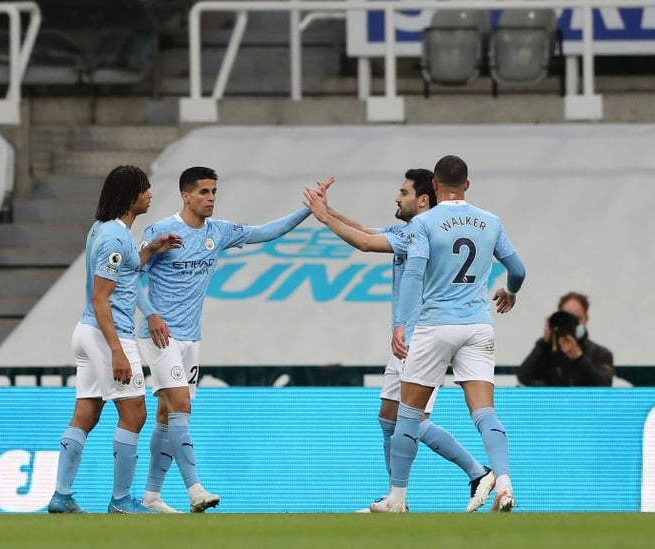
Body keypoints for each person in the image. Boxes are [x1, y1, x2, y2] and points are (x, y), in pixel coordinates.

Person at [136, 166, 330, 513]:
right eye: (204, 192)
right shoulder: (161, 231)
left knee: (167, 415)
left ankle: (151, 496)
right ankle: (196, 490)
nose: (211, 198)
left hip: (190, 338)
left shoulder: (219, 231)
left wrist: (308, 209)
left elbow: (266, 232)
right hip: (159, 335)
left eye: (214, 192)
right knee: (182, 407)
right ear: (186, 196)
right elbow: (132, 275)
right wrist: (151, 314)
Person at [302, 169, 495, 513]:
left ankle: (476, 473)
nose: (396, 197)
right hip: (412, 336)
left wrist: (322, 219)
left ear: (423, 199)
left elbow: (362, 243)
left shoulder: (422, 234)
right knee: (389, 417)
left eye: (403, 192)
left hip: (423, 336)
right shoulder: (408, 231)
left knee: (411, 419)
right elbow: (364, 231)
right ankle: (397, 498)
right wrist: (327, 211)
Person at [369, 155, 526, 513]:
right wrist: (511, 291)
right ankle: (503, 482)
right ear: (467, 185)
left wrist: (400, 324)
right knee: (485, 412)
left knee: (408, 414)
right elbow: (517, 269)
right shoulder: (490, 221)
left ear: (436, 186)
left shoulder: (424, 222)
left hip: (435, 325)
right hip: (477, 324)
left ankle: (397, 497)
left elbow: (413, 274)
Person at [47, 165, 182, 514]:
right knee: (135, 414)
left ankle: (61, 496)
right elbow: (100, 298)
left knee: (86, 414)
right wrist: (117, 350)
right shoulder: (114, 238)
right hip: (108, 334)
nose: (150, 194)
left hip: (87, 332)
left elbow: (123, 272)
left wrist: (150, 250)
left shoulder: (103, 230)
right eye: (145, 189)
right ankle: (121, 501)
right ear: (129, 195)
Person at [517, 291, 614, 387]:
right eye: (568, 319)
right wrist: (544, 343)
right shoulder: (549, 351)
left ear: (586, 318)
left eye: (577, 319)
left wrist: (578, 358)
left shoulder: (601, 354)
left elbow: (604, 385)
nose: (572, 325)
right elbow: (523, 377)